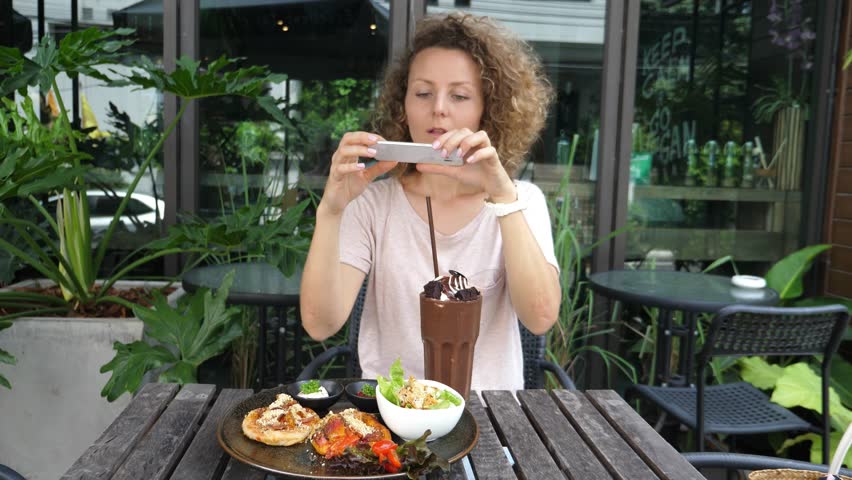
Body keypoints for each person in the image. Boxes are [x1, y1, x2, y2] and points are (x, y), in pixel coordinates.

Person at [300, 12, 561, 391]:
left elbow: (539, 318)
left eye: (459, 95)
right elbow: (320, 323)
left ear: (489, 109)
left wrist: (503, 196)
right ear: (402, 106)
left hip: (490, 416)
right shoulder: (372, 202)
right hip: (388, 417)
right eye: (423, 92)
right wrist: (331, 211)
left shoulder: (521, 201)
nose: (439, 107)